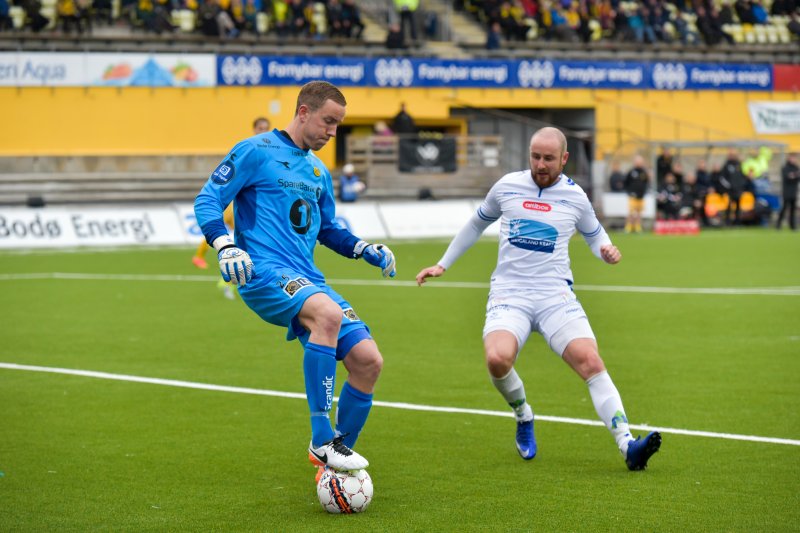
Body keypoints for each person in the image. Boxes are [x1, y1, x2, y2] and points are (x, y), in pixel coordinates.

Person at [415, 127, 661, 471]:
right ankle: (523, 414)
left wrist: (605, 250)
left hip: (554, 294)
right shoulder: (507, 186)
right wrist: (443, 263)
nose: (540, 164)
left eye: (548, 158)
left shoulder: (575, 197)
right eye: (535, 156)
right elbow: (475, 225)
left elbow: (594, 234)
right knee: (497, 360)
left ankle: (627, 445)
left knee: (590, 361)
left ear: (564, 158)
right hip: (509, 292)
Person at [194, 81, 396, 475]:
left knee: (369, 362)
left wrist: (363, 249)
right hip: (263, 271)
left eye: (338, 125)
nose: (332, 132)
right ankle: (322, 438)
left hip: (307, 277)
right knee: (327, 315)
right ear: (304, 112)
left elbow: (328, 229)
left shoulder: (319, 171)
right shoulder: (255, 149)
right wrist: (225, 245)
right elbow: (208, 199)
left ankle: (333, 462)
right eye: (328, 122)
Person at [191, 116, 272, 299]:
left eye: (266, 127)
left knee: (235, 239)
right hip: (237, 206)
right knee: (244, 241)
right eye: (260, 127)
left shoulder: (267, 152)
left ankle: (208, 264)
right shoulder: (249, 149)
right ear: (254, 129)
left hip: (247, 207)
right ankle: (227, 279)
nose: (263, 130)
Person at [623, 154, 649, 233]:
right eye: (638, 161)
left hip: (641, 196)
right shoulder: (631, 172)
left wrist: (644, 191)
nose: (639, 163)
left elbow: (646, 182)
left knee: (639, 212)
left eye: (640, 161)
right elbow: (626, 182)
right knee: (631, 212)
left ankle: (638, 227)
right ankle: (628, 227)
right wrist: (629, 192)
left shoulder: (644, 172)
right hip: (632, 196)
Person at [776, 153, 799, 230]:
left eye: (794, 158)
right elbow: (788, 177)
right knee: (784, 208)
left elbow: (796, 177)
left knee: (793, 210)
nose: (793, 160)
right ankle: (778, 225)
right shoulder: (785, 168)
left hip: (793, 192)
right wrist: (794, 176)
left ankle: (792, 226)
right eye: (792, 158)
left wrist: (793, 176)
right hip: (786, 192)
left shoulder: (796, 168)